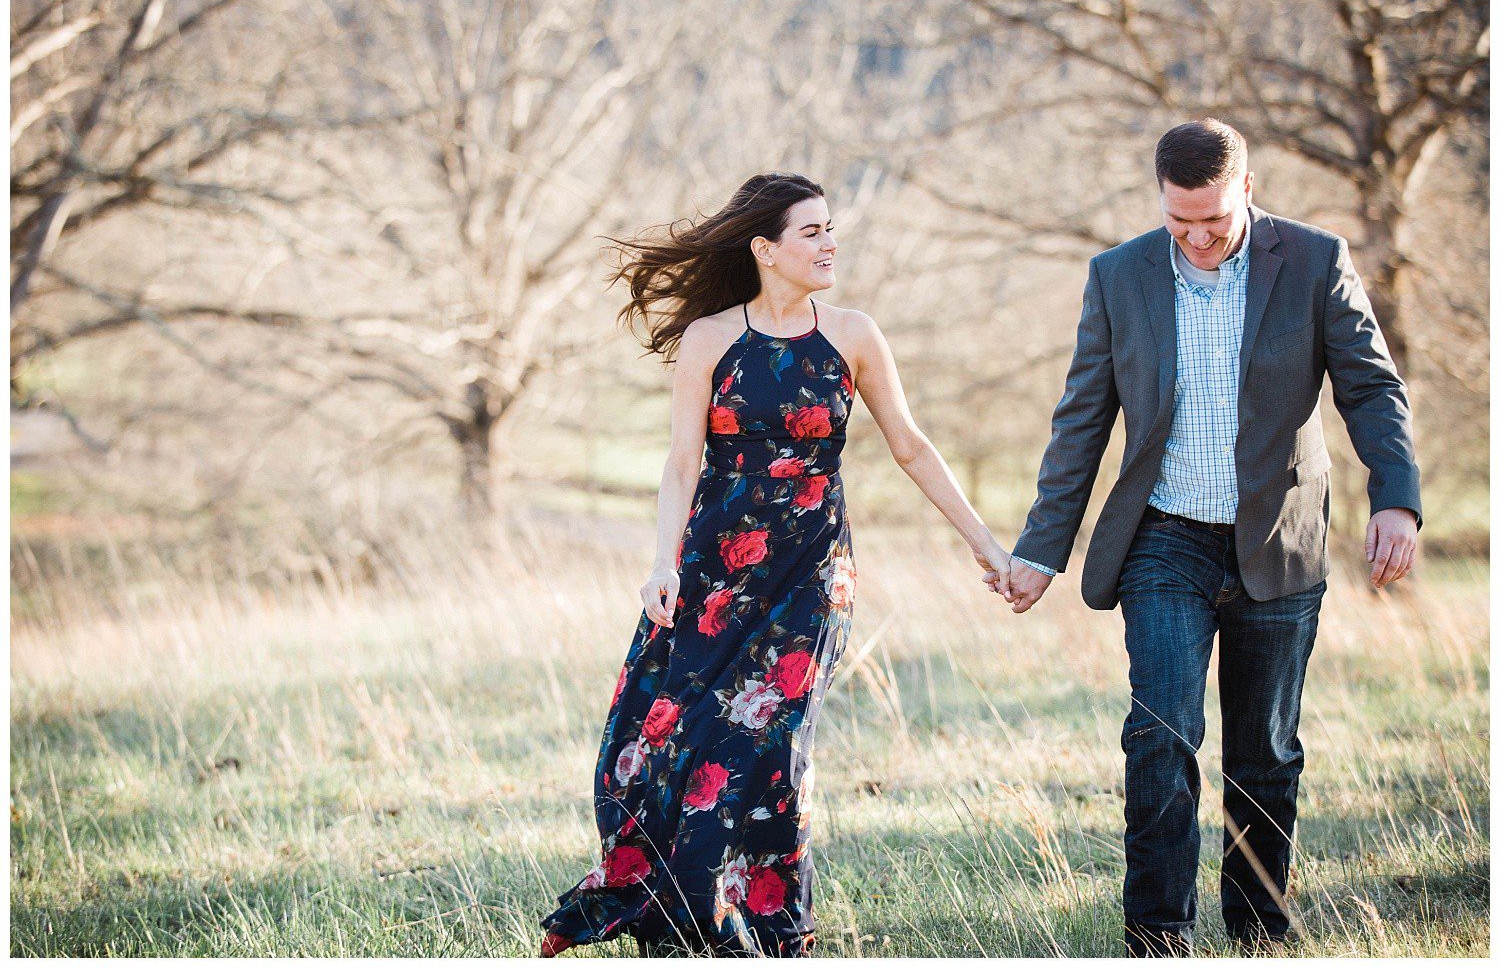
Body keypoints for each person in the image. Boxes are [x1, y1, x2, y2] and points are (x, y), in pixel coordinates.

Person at [540, 172, 1013, 957]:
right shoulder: (711, 338)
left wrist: (985, 543)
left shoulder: (854, 334)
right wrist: (662, 563)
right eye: (811, 232)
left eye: (832, 229)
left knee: (771, 744)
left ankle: (766, 928)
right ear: (765, 248)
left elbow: (911, 446)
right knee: (658, 736)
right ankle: (686, 912)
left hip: (812, 572)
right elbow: (682, 463)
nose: (829, 244)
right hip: (712, 569)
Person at [1001, 119, 1421, 956]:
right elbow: (1083, 417)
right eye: (1179, 221)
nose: (1196, 238)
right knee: (1161, 733)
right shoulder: (1118, 275)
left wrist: (1396, 499)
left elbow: (1372, 390)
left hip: (1279, 537)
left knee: (1264, 752)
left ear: (1248, 192)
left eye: (1215, 222)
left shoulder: (1313, 262)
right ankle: (1158, 933)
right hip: (1165, 539)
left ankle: (1259, 928)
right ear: (1161, 199)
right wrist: (1041, 548)